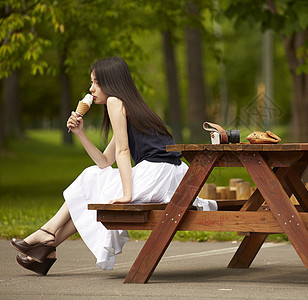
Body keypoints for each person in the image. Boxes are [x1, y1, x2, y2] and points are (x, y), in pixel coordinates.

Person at [11, 57, 217, 275]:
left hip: (158, 174)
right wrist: (80, 133)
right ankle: (46, 249)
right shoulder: (131, 107)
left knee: (90, 180)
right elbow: (105, 161)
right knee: (92, 180)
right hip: (170, 175)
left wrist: (127, 195)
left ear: (111, 83)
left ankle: (48, 232)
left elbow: (123, 152)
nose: (91, 90)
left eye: (95, 83)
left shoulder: (115, 102)